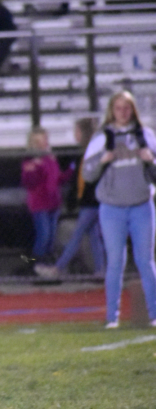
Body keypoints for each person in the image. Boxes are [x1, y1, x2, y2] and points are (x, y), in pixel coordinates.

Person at [82, 91, 156, 329]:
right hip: (112, 208)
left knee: (145, 261)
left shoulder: (146, 135)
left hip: (141, 205)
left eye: (127, 108)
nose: (123, 113)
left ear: (133, 110)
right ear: (111, 111)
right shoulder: (102, 137)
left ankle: (154, 314)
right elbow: (87, 173)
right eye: (118, 108)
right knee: (115, 262)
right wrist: (103, 159)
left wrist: (151, 160)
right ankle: (112, 317)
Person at [36, 117, 105, 277]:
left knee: (78, 234)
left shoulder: (91, 153)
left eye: (77, 131)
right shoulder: (86, 153)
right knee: (94, 237)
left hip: (92, 201)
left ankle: (57, 268)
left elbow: (89, 180)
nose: (75, 134)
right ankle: (100, 270)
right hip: (90, 200)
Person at [22, 127, 72, 270]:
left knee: (51, 238)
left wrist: (72, 170)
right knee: (43, 235)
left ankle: (48, 266)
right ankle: (37, 265)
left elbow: (58, 179)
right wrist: (35, 167)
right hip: (40, 203)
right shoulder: (30, 159)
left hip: (53, 202)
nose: (44, 142)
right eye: (41, 140)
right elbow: (28, 182)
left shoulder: (50, 157)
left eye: (45, 139)